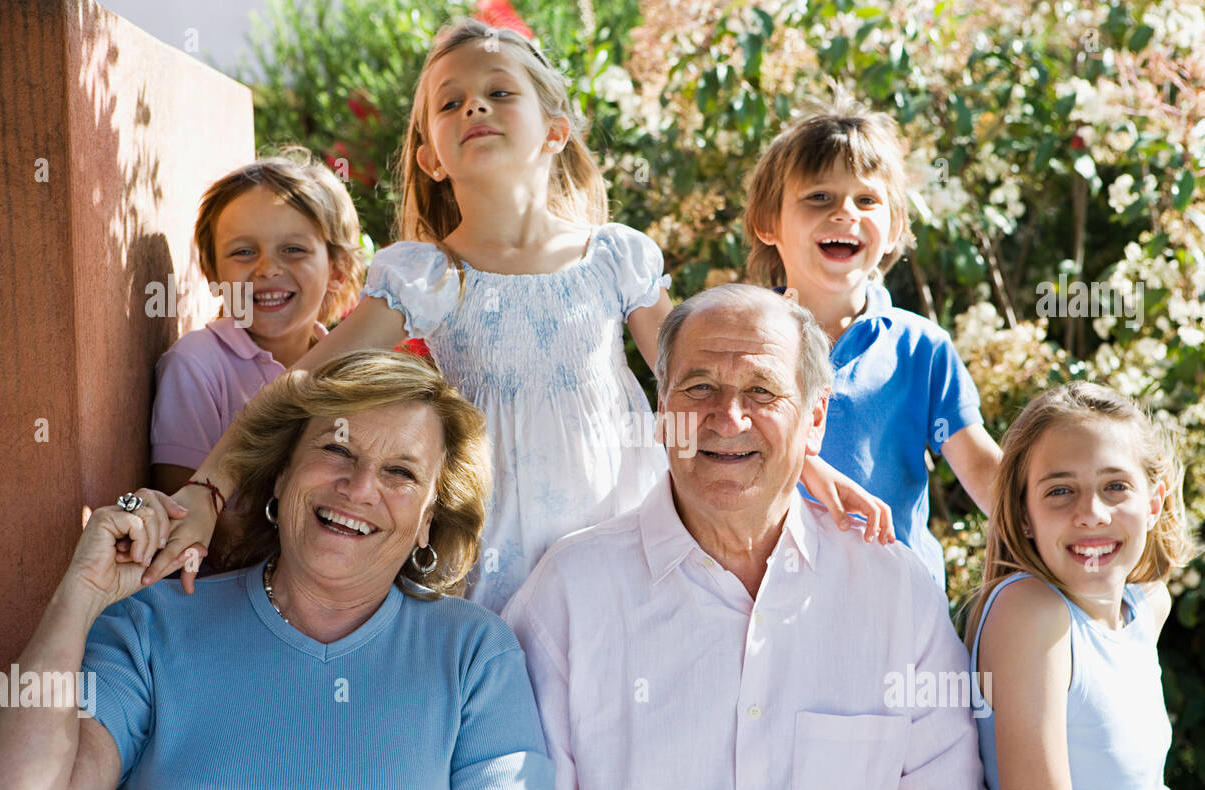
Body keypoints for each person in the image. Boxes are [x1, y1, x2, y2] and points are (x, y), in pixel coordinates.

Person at [143, 18, 891, 612]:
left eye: (500, 92)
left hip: (624, 543)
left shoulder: (614, 259)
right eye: (449, 101)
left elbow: (700, 394)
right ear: (432, 155)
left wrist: (805, 470)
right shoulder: (427, 275)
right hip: (488, 558)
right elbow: (293, 388)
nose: (474, 105)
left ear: (556, 129)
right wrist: (205, 493)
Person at [0, 350, 554, 790]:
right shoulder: (151, 626)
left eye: (401, 473)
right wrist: (79, 594)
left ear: (428, 519)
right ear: (282, 474)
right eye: (337, 449)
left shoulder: (475, 652)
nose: (359, 488)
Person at [503, 285, 998, 790]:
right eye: (700, 387)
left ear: (815, 419)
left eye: (761, 391)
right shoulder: (569, 595)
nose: (728, 417)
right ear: (663, 411)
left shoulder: (894, 590)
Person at [744, 98, 1002, 588]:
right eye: (819, 197)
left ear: (894, 231)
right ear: (768, 223)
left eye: (867, 200)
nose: (845, 212)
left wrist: (1064, 518)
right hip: (775, 602)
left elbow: (985, 472)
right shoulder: (741, 342)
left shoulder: (922, 348)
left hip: (897, 607)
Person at [966, 381, 1195, 790]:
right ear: (1023, 514)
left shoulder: (1143, 609)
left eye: (1115, 486)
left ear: (1153, 503)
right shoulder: (1031, 614)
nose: (1091, 513)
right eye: (1060, 491)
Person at [150, 149, 366, 497]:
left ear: (336, 270)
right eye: (243, 252)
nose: (268, 269)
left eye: (293, 249)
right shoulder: (196, 364)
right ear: (212, 272)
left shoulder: (350, 371)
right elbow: (181, 504)